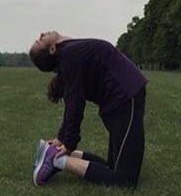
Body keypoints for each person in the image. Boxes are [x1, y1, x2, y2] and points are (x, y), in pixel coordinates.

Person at [29, 31, 148, 188]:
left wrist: (61, 140)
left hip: (120, 101)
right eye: (40, 40)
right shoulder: (68, 54)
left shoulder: (68, 51)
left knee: (113, 168)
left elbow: (72, 101)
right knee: (125, 180)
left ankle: (53, 152)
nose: (42, 34)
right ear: (51, 50)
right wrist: (69, 142)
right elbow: (74, 103)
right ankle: (56, 159)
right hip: (124, 98)